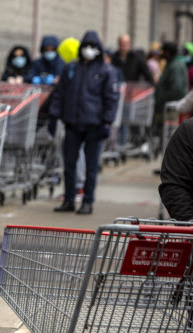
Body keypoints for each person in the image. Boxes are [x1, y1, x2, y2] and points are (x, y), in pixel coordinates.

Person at [50, 31, 120, 215]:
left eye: (93, 47)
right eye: (86, 46)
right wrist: (54, 115)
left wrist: (107, 122)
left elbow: (111, 98)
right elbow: (60, 93)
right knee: (69, 165)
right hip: (72, 123)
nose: (89, 50)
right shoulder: (71, 69)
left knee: (91, 167)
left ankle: (87, 201)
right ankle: (69, 199)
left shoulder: (106, 71)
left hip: (94, 126)